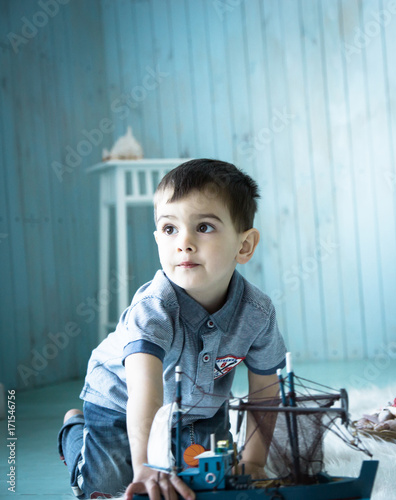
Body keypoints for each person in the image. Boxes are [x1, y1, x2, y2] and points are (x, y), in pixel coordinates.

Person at [58, 158, 286, 500]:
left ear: (244, 245)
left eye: (204, 227)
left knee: (206, 481)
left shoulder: (257, 312)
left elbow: (265, 390)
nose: (184, 243)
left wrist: (254, 461)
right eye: (170, 229)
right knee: (111, 488)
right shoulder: (153, 310)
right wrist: (147, 466)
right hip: (122, 403)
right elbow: (143, 393)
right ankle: (74, 432)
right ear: (158, 238)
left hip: (200, 408)